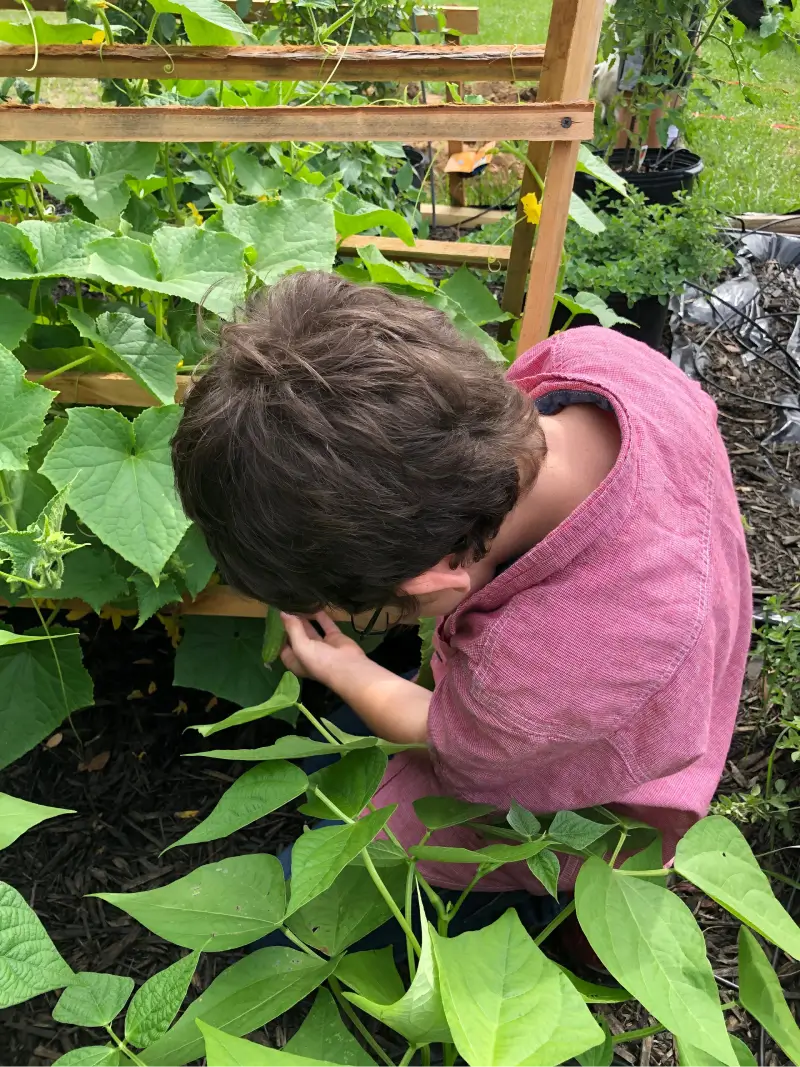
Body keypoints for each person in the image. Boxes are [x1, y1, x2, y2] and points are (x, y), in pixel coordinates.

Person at [171, 271, 752, 900]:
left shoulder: (535, 670)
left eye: (370, 610)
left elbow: (449, 740)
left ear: (431, 579)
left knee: (304, 891)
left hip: (593, 819)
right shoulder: (595, 362)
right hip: (630, 681)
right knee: (336, 754)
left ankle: (555, 928)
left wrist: (345, 667)